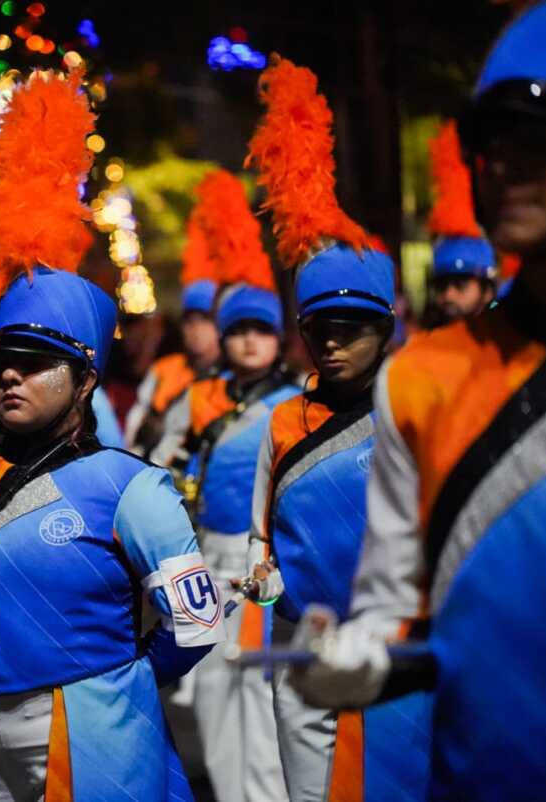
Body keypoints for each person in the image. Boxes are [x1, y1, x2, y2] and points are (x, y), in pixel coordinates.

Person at [0, 68, 221, 800]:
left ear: (86, 380)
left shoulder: (132, 485)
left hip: (92, 733)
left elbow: (198, 619)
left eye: (34, 366)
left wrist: (121, 689)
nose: (9, 379)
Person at [290, 5, 546, 800]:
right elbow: (393, 603)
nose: (506, 166)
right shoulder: (418, 376)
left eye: (543, 137)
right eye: (491, 141)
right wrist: (358, 658)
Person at [238, 53, 429, 801]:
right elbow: (262, 525)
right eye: (318, 326)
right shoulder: (283, 419)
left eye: (352, 327)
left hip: (405, 641)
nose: (332, 342)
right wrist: (261, 572)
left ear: (386, 330)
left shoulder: (420, 404)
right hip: (304, 643)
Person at [156, 168, 299, 802]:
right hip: (202, 557)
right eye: (238, 329)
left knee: (262, 696)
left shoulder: (298, 403)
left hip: (264, 560)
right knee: (212, 695)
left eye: (260, 330)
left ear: (278, 339)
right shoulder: (198, 397)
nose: (247, 340)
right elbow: (160, 466)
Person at [125, 216, 221, 453]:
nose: (196, 330)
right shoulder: (164, 370)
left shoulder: (234, 378)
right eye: (190, 321)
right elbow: (134, 431)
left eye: (205, 321)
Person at [425, 119, 499, 325]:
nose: (448, 295)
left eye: (460, 284)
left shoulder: (517, 350)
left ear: (487, 290)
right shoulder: (420, 352)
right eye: (441, 286)